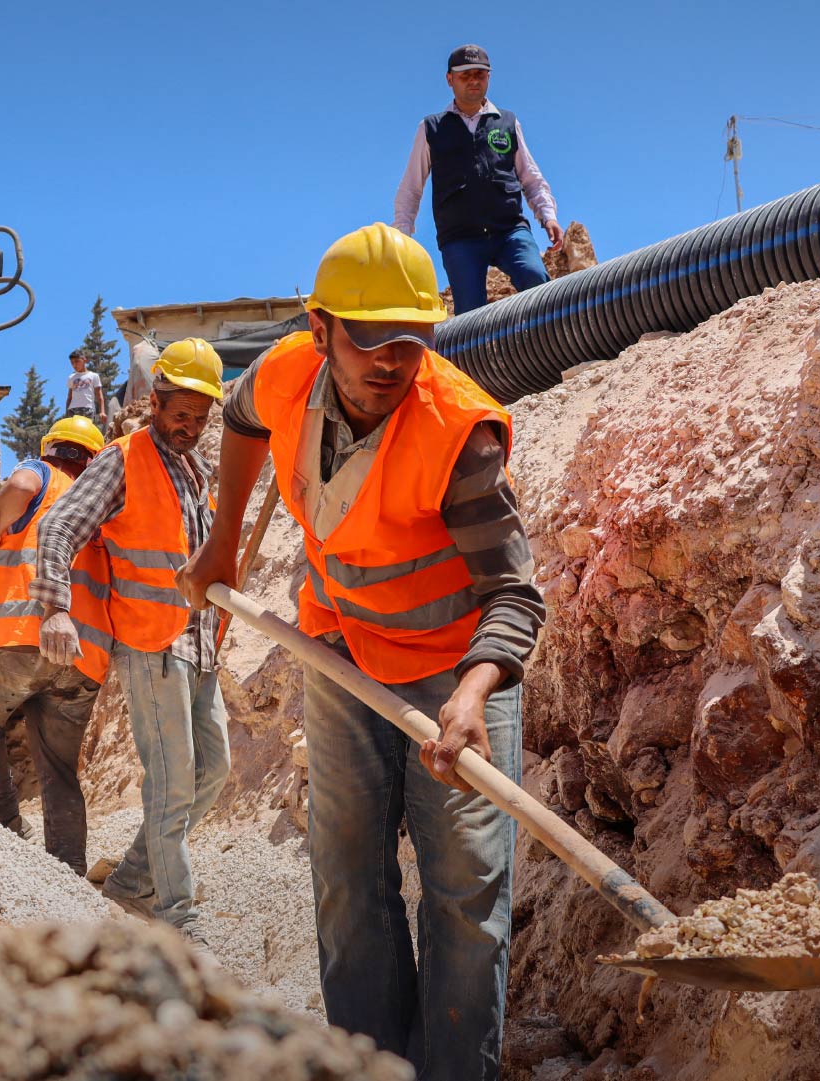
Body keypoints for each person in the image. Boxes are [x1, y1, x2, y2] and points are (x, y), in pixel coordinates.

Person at [177, 223, 547, 1080]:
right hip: (340, 651)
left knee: (464, 895)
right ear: (320, 328)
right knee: (347, 879)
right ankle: (370, 1066)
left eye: (411, 341)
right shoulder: (283, 373)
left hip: (455, 667)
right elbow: (236, 418)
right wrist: (223, 538)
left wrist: (470, 693)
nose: (391, 360)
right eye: (370, 338)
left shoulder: (460, 433)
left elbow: (514, 596)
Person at [33, 339, 228, 947]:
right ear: (155, 399)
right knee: (170, 781)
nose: (189, 425)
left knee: (213, 770)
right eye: (179, 411)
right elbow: (59, 525)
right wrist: (55, 609)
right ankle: (179, 915)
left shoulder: (193, 472)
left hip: (198, 645)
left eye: (200, 417)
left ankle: (135, 878)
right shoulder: (123, 460)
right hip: (150, 645)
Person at [0, 414, 111, 872]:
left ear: (53, 448)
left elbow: (22, 484)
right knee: (60, 768)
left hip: (20, 635)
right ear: (92, 458)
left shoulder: (43, 472)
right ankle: (68, 868)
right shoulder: (103, 502)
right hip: (82, 654)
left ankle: (7, 828)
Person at [393, 43, 564, 313]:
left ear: (488, 77)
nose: (473, 80)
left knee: (538, 284)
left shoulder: (506, 122)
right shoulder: (431, 128)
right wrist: (402, 234)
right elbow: (411, 187)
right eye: (465, 75)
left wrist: (547, 215)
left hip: (509, 230)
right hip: (459, 239)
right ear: (450, 79)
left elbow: (530, 176)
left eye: (480, 74)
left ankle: (554, 353)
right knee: (471, 316)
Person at [65, 349, 105, 419]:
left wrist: (102, 412)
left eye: (77, 361)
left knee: (86, 429)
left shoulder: (93, 376)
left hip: (88, 408)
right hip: (73, 409)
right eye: (72, 363)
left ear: (84, 360)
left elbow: (99, 396)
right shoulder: (71, 377)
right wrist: (66, 413)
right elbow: (69, 398)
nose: (74, 365)